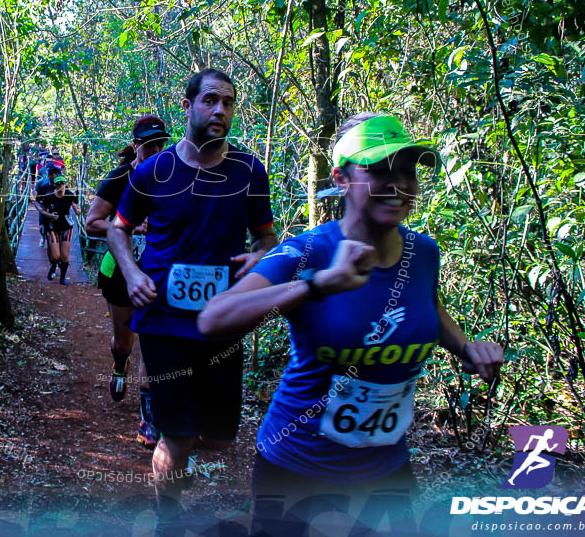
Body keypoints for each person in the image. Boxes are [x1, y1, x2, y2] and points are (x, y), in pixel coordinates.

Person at [197, 112, 505, 536]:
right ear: (341, 178)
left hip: (386, 469)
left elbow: (430, 307)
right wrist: (319, 284)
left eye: (407, 171)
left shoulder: (424, 253)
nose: (398, 185)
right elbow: (214, 318)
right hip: (297, 466)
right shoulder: (307, 252)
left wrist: (467, 347)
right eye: (378, 171)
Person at [107, 69, 278, 531]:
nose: (219, 110)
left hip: (222, 322)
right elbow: (116, 227)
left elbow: (267, 239)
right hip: (164, 320)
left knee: (220, 437)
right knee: (179, 434)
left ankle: (176, 445)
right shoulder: (154, 170)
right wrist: (132, 271)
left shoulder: (249, 172)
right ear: (187, 106)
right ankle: (169, 516)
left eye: (227, 102)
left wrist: (258, 259)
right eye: (209, 100)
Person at [85, 114, 171, 449]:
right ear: (136, 144)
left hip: (160, 271)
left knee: (153, 342)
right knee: (126, 342)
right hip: (120, 270)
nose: (156, 149)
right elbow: (92, 222)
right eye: (149, 144)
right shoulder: (120, 178)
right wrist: (131, 227)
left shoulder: (175, 176)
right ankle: (119, 363)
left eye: (161, 143)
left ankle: (148, 417)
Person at [43, 174, 80, 285]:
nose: (60, 185)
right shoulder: (49, 196)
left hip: (66, 226)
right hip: (52, 227)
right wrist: (50, 216)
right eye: (58, 183)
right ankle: (53, 265)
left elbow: (77, 209)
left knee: (64, 256)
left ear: (66, 184)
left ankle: (62, 278)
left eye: (62, 183)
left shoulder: (70, 195)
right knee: (55, 256)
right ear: (54, 185)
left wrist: (77, 210)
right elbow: (43, 211)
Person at [34, 166, 59, 248]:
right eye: (51, 174)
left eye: (55, 174)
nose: (54, 176)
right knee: (42, 227)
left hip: (56, 209)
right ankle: (42, 236)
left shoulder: (61, 185)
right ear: (48, 176)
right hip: (44, 208)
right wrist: (40, 209)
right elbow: (37, 200)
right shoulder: (43, 186)